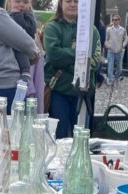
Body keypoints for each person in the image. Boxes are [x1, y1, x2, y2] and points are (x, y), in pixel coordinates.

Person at [43, 0, 100, 139]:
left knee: (81, 139)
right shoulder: (52, 27)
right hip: (59, 92)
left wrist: (68, 56)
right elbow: (54, 55)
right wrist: (80, 55)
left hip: (83, 93)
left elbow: (94, 61)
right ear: (61, 4)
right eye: (68, 1)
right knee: (59, 137)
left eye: (76, 1)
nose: (73, 4)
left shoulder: (91, 30)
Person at [104, 14, 127, 84]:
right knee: (110, 66)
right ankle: (110, 79)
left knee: (119, 67)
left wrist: (123, 45)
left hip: (119, 51)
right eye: (113, 20)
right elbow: (106, 39)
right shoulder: (109, 29)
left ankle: (117, 78)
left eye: (116, 20)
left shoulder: (123, 30)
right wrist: (108, 46)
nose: (114, 21)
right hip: (111, 51)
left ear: (119, 21)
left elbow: (126, 39)